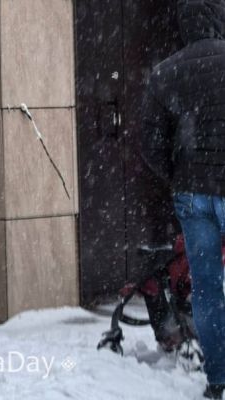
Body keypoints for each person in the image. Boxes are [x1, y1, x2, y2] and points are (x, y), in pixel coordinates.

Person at [141, 1, 225, 398]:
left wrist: (178, 176)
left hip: (192, 194)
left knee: (206, 289)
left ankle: (218, 378)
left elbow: (150, 142)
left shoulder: (166, 72)